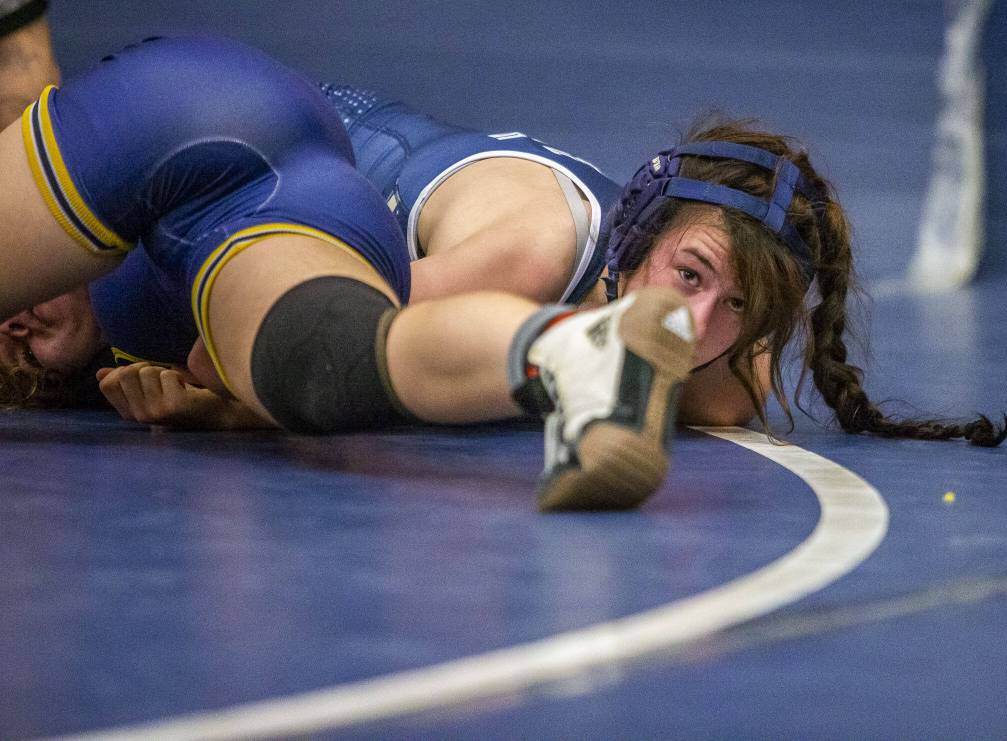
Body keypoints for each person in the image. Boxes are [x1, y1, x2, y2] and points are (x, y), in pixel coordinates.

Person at [0, 34, 703, 512]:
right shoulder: (125, 341)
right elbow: (213, 360)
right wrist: (223, 406)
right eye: (21, 349)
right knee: (334, 357)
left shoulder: (82, 176)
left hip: (181, 112)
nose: (19, 320)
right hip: (289, 176)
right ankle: (571, 354)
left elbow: (23, 87)